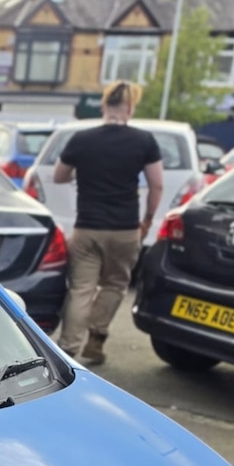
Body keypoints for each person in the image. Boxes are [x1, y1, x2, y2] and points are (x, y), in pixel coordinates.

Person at [53, 80, 163, 366]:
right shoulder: (144, 141)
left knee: (80, 288)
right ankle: (97, 337)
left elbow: (59, 176)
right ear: (130, 107)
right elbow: (157, 185)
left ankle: (68, 349)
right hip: (125, 228)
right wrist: (148, 220)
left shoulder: (82, 139)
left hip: (87, 226)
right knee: (115, 285)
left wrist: (84, 176)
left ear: (104, 106)